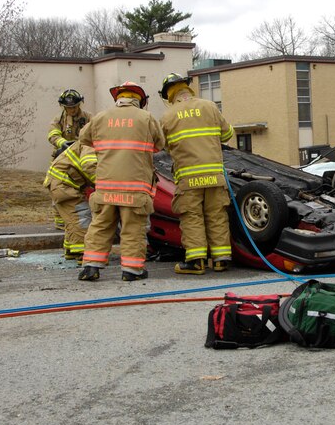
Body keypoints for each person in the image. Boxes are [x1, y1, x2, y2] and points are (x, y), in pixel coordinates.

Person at [77, 81, 165, 282]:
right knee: (132, 228)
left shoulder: (100, 117)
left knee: (100, 226)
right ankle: (132, 270)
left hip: (106, 187)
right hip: (135, 187)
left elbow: (84, 138)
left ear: (118, 97)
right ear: (139, 99)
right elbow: (160, 144)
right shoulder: (146, 118)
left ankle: (91, 266)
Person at [159, 73, 235, 274]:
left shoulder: (168, 116)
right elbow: (227, 134)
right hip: (214, 174)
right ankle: (221, 259)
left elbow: (161, 145)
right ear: (187, 87)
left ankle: (196, 261)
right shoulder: (209, 106)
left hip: (188, 177)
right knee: (217, 215)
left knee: (192, 216)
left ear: (169, 94)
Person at [43, 140, 97, 264]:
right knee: (81, 217)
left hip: (62, 183)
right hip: (64, 185)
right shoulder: (90, 145)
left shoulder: (87, 142)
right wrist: (103, 184)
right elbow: (89, 166)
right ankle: (83, 254)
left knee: (71, 219)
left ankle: (71, 250)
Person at [47, 89, 92, 229]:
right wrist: (62, 143)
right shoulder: (59, 119)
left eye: (74, 106)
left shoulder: (88, 117)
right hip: (62, 158)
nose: (71, 110)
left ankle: (81, 218)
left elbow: (96, 130)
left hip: (81, 158)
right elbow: (52, 134)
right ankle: (60, 221)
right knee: (60, 189)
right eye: (68, 107)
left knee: (80, 190)